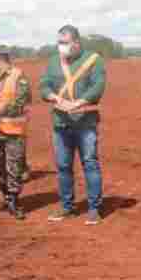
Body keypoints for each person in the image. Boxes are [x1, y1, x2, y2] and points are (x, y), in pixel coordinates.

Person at [39, 24, 106, 225]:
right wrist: (55, 98)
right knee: (63, 166)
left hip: (85, 123)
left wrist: (78, 102)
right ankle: (67, 207)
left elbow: (98, 85)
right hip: (61, 122)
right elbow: (44, 85)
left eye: (65, 43)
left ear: (76, 43)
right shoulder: (53, 62)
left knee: (90, 163)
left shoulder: (93, 60)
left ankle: (94, 209)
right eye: (59, 42)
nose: (61, 46)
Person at [0, 45, 32, 219]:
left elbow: (20, 101)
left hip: (13, 131)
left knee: (13, 167)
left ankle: (14, 201)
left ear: (0, 58)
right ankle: (7, 196)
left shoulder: (19, 76)